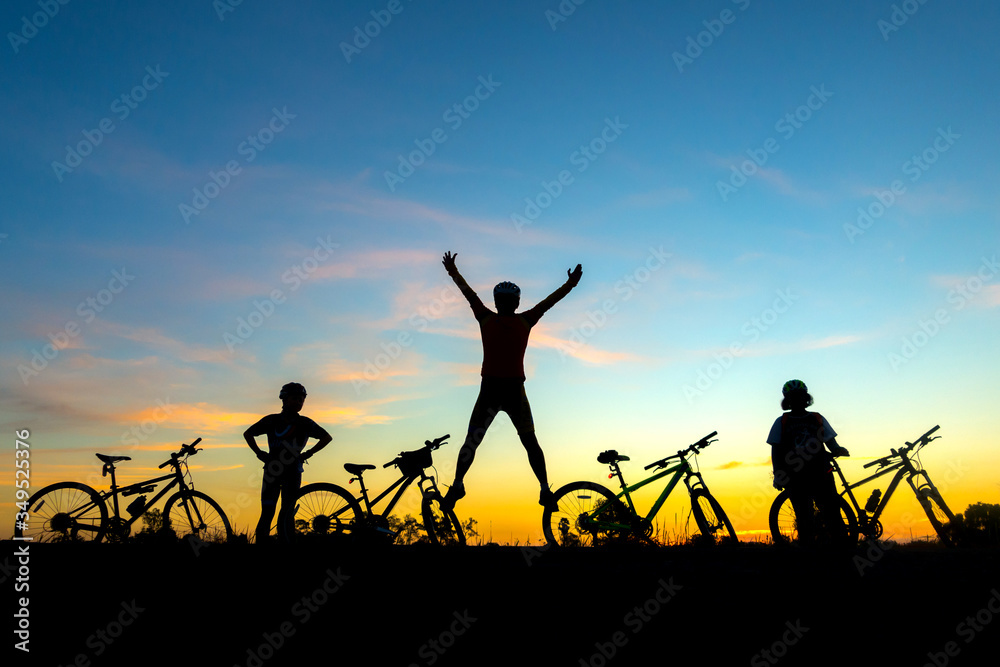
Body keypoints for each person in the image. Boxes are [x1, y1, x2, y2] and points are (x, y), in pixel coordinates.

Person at [440, 250, 582, 511]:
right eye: (504, 300)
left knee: (478, 442)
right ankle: (543, 489)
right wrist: (570, 284)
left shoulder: (489, 317)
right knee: (524, 442)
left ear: (505, 303)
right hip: (508, 390)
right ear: (512, 303)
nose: (505, 304)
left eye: (506, 300)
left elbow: (469, 294)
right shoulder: (522, 319)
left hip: (497, 389)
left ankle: (460, 485)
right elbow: (548, 302)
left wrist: (453, 271)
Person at [244, 382, 332, 543]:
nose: (298, 402)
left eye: (301, 400)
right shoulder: (271, 420)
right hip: (272, 471)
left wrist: (309, 453)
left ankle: (286, 546)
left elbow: (327, 437)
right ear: (284, 399)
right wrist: (259, 453)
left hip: (293, 472)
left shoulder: (305, 423)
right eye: (294, 399)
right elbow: (248, 433)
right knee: (267, 511)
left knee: (287, 512)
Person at [766, 379, 850, 546]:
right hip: (795, 477)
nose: (797, 400)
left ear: (806, 398)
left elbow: (830, 441)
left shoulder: (816, 418)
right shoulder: (781, 422)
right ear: (788, 401)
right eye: (793, 397)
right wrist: (778, 474)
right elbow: (776, 451)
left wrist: (837, 449)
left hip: (821, 473)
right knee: (805, 518)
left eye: (800, 396)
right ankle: (809, 553)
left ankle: (842, 550)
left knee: (832, 514)